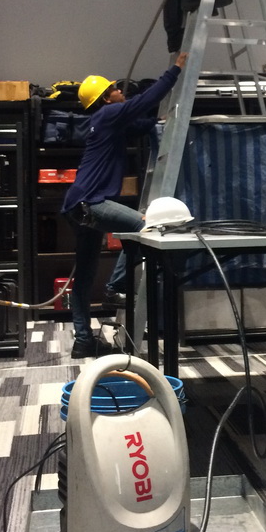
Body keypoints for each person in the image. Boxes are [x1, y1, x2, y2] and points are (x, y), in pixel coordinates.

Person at [62, 53, 188, 357]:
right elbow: (143, 102)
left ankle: (83, 341)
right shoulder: (108, 114)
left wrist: (158, 123)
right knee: (146, 226)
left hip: (76, 206)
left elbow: (139, 124)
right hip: (91, 203)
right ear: (106, 99)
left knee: (85, 276)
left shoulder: (107, 123)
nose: (121, 91)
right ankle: (116, 287)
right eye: (115, 89)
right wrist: (174, 71)